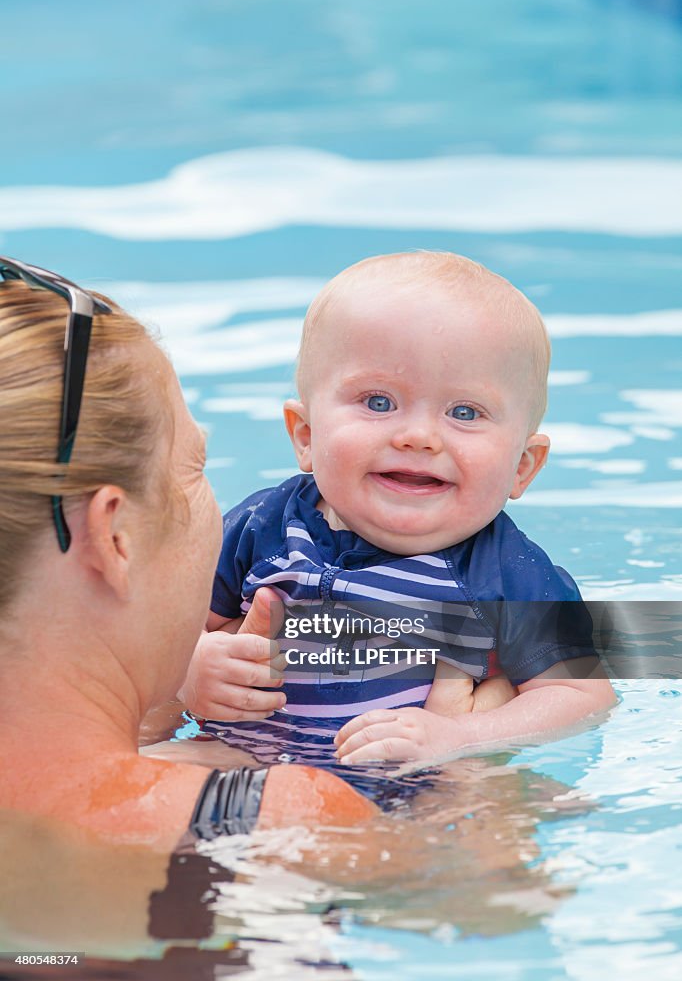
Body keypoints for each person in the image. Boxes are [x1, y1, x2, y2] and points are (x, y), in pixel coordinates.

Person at [0, 256, 377, 850]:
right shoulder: (283, 814)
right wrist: (473, 758)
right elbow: (500, 905)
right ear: (114, 538)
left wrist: (173, 697)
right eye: (195, 468)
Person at [181, 251, 615, 762]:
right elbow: (159, 631)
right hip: (243, 758)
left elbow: (584, 696)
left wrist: (461, 738)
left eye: (465, 412)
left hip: (408, 787)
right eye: (378, 402)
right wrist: (190, 670)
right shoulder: (262, 527)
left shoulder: (506, 571)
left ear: (523, 465)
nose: (418, 436)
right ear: (306, 435)